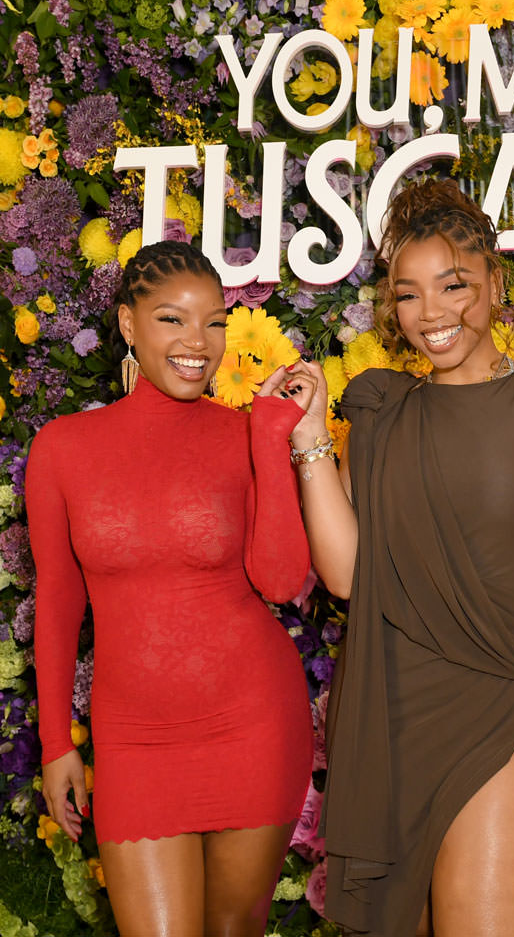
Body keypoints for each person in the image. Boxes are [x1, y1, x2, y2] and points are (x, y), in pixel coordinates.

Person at [281, 179, 514, 937]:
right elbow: (346, 574)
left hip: (504, 708)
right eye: (408, 294)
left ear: (494, 284)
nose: (431, 313)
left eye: (453, 285)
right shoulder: (379, 412)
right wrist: (309, 437)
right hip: (393, 715)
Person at [25, 240, 313, 937]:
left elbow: (282, 582)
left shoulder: (244, 434)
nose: (197, 343)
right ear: (128, 323)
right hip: (135, 742)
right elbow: (58, 601)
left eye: (214, 322)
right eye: (171, 319)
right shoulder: (61, 448)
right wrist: (56, 741)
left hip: (253, 723)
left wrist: (270, 442)